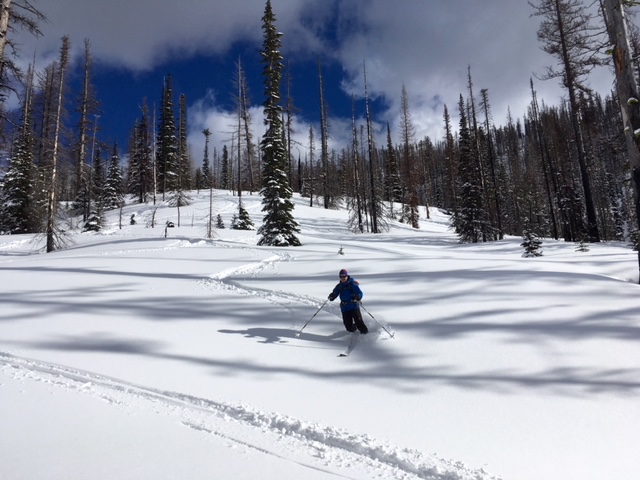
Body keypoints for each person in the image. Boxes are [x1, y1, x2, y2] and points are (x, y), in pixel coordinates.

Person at [328, 269, 368, 334]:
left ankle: (366, 336)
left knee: (360, 323)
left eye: (344, 276)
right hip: (345, 308)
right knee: (349, 327)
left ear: (347, 276)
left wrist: (358, 296)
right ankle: (355, 327)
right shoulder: (339, 286)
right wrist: (332, 296)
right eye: (341, 277)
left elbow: (359, 292)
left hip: (354, 306)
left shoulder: (352, 284)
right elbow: (335, 293)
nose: (343, 278)